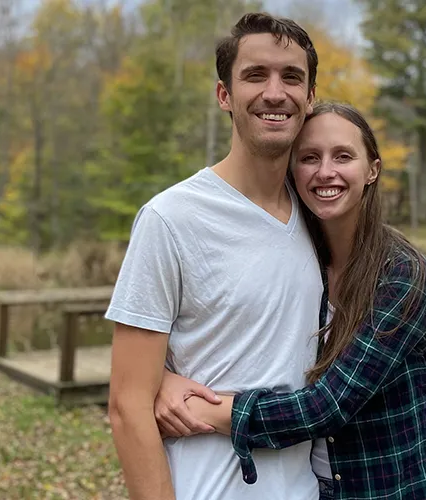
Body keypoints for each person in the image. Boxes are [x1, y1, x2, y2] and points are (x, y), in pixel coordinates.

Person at [156, 101, 426, 500]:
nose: (325, 171)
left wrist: (198, 408)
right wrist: (160, 375)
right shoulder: (298, 254)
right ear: (293, 170)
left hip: (389, 489)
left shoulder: (401, 274)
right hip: (311, 489)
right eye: (309, 158)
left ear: (372, 170)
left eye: (343, 156)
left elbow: (325, 407)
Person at [103, 12, 325, 500]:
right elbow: (127, 404)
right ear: (224, 95)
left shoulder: (318, 214)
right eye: (254, 75)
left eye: (291, 77)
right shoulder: (172, 218)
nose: (274, 92)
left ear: (309, 98)